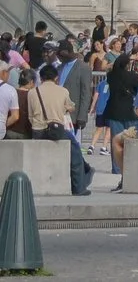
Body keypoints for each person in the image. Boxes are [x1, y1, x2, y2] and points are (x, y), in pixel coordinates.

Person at [29, 62, 89, 196]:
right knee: (75, 151)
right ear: (56, 78)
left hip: (38, 131)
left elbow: (30, 115)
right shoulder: (63, 91)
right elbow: (71, 107)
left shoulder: (33, 92)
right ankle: (79, 187)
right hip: (57, 130)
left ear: (41, 78)